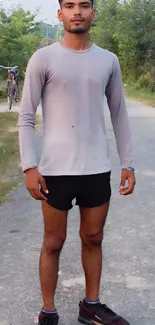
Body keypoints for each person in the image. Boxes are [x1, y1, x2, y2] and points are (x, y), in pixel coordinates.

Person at [18, 0, 136, 324]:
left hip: (96, 168)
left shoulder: (108, 61)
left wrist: (128, 163)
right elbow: (26, 116)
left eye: (84, 5)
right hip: (55, 170)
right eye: (69, 5)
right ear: (60, 13)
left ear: (93, 13)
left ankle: (91, 306)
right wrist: (29, 166)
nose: (77, 12)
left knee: (94, 238)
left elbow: (119, 115)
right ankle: (48, 311)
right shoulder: (44, 58)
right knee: (53, 242)